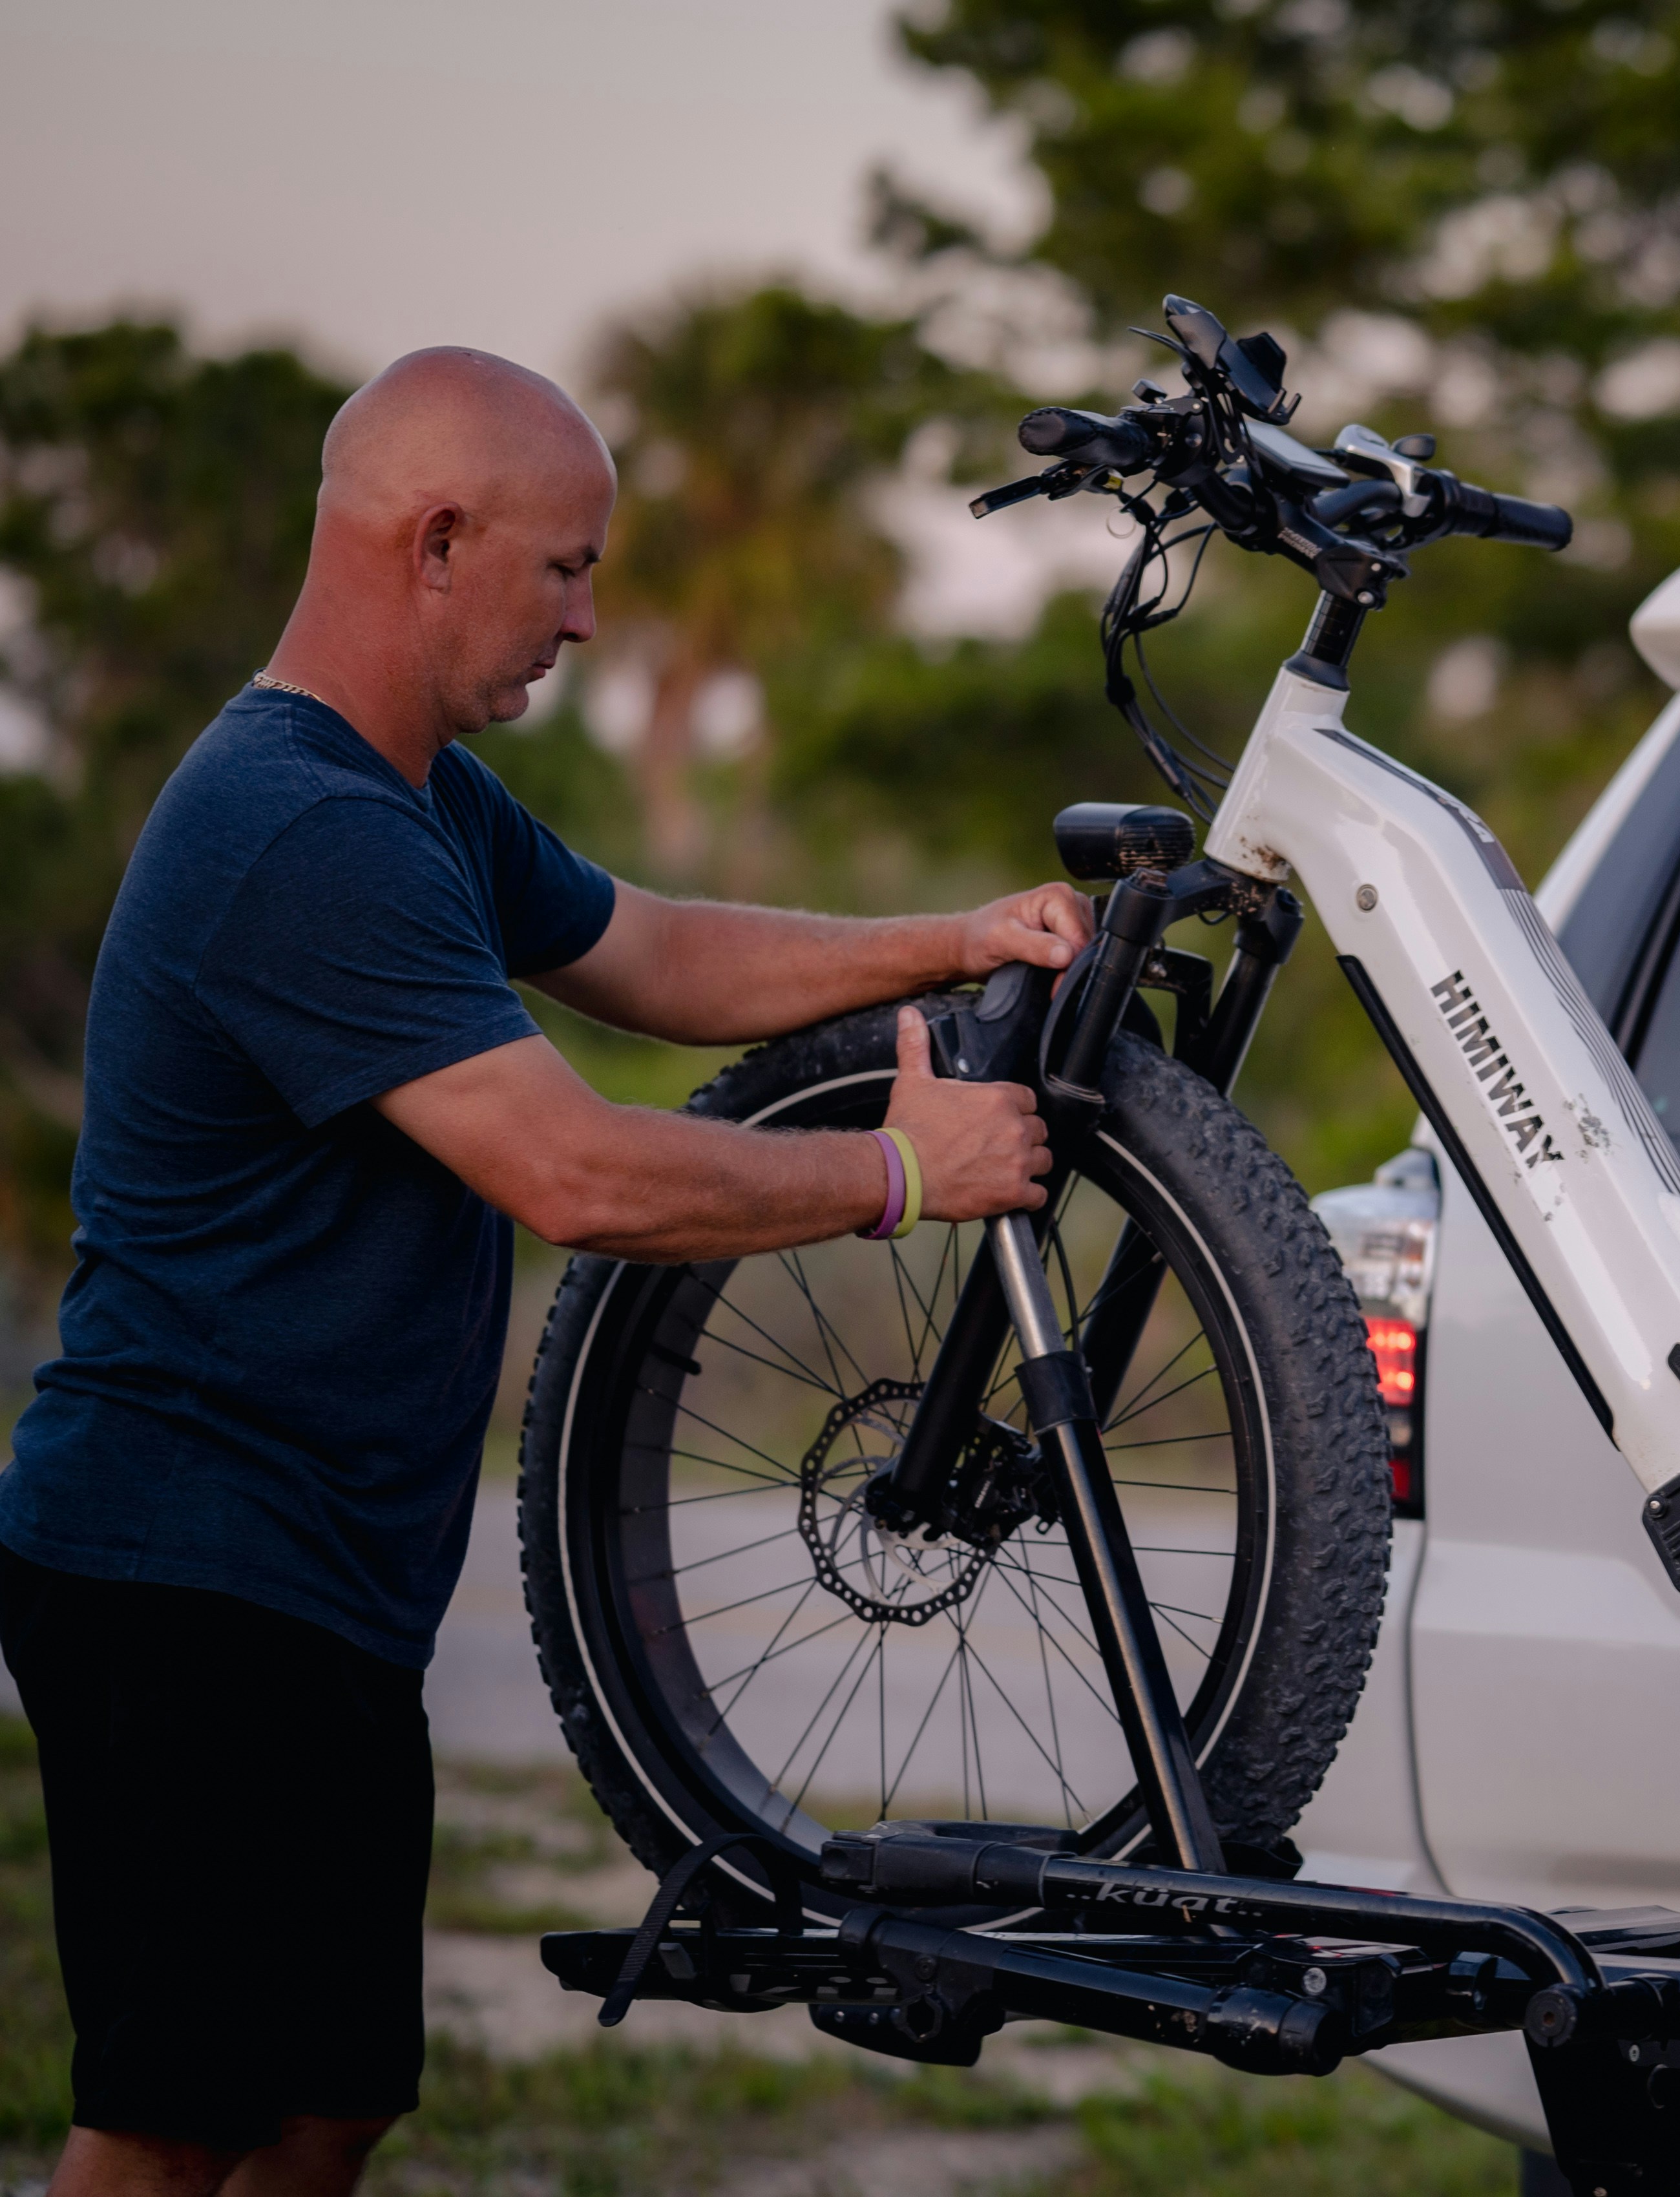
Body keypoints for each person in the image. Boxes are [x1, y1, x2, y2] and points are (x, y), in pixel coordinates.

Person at [0, 346, 1078, 2195]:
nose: (589, 618)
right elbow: (569, 1169)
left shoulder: (411, 794)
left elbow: (650, 954)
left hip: (315, 1579)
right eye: (566, 567)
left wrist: (946, 937)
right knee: (170, 2127)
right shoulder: (300, 822)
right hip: (186, 1565)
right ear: (435, 542)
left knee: (326, 2105)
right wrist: (908, 1175)